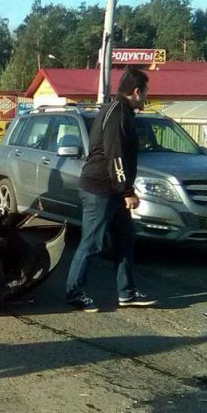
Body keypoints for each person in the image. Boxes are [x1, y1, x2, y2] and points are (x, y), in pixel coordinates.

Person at [65, 67, 156, 312]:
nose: (147, 97)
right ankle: (74, 293)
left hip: (112, 190)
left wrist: (123, 190)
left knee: (125, 238)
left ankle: (127, 292)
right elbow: (115, 157)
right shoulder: (117, 114)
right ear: (136, 92)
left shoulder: (121, 111)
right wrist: (127, 191)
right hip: (100, 189)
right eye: (146, 92)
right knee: (92, 243)